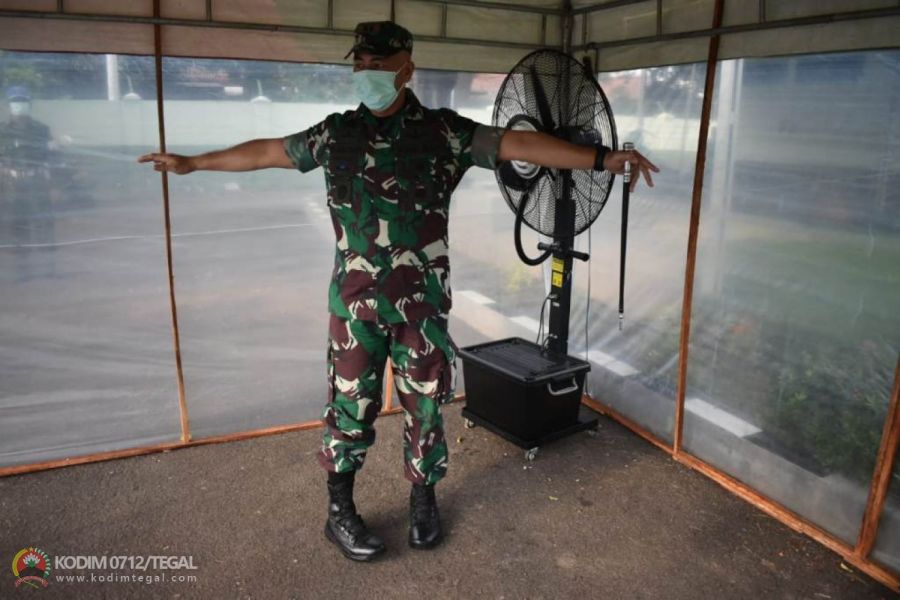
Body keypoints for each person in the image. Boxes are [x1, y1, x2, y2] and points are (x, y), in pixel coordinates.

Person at [139, 21, 659, 562]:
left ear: (406, 69)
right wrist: (195, 163)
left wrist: (604, 159)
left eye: (378, 65)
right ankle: (339, 511)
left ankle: (423, 501)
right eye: (359, 65)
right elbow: (270, 151)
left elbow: (518, 143)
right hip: (355, 308)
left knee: (427, 408)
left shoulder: (443, 132)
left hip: (422, 310)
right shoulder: (334, 133)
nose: (366, 74)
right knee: (348, 408)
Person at [1, 86, 58, 282]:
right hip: (12, 183)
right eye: (15, 102)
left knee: (45, 224)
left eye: (22, 102)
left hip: (38, 180)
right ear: (9, 106)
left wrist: (52, 184)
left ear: (29, 105)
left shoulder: (41, 129)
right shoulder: (2, 130)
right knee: (18, 225)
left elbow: (52, 156)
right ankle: (22, 271)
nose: (19, 106)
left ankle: (50, 269)